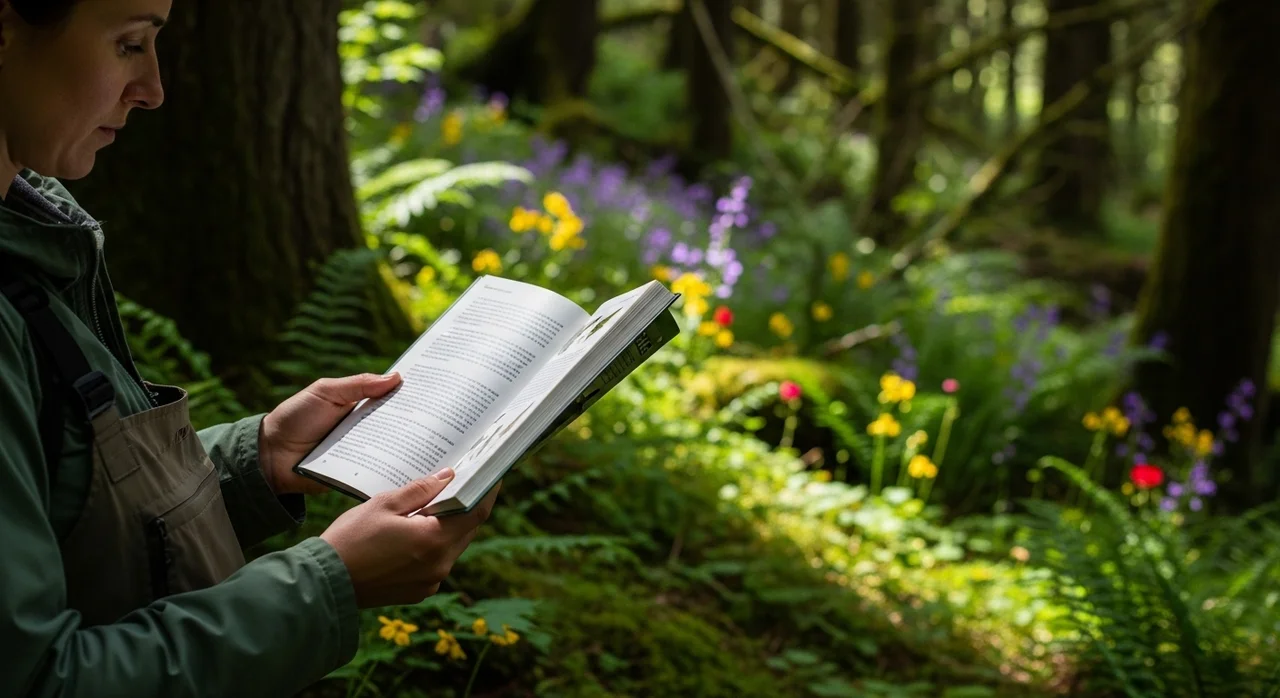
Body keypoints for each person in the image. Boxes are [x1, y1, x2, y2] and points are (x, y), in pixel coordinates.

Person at [0, 0, 501, 695]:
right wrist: (326, 583)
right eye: (130, 44)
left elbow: (63, 520)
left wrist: (255, 461)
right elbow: (37, 683)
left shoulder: (31, 237)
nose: (153, 89)